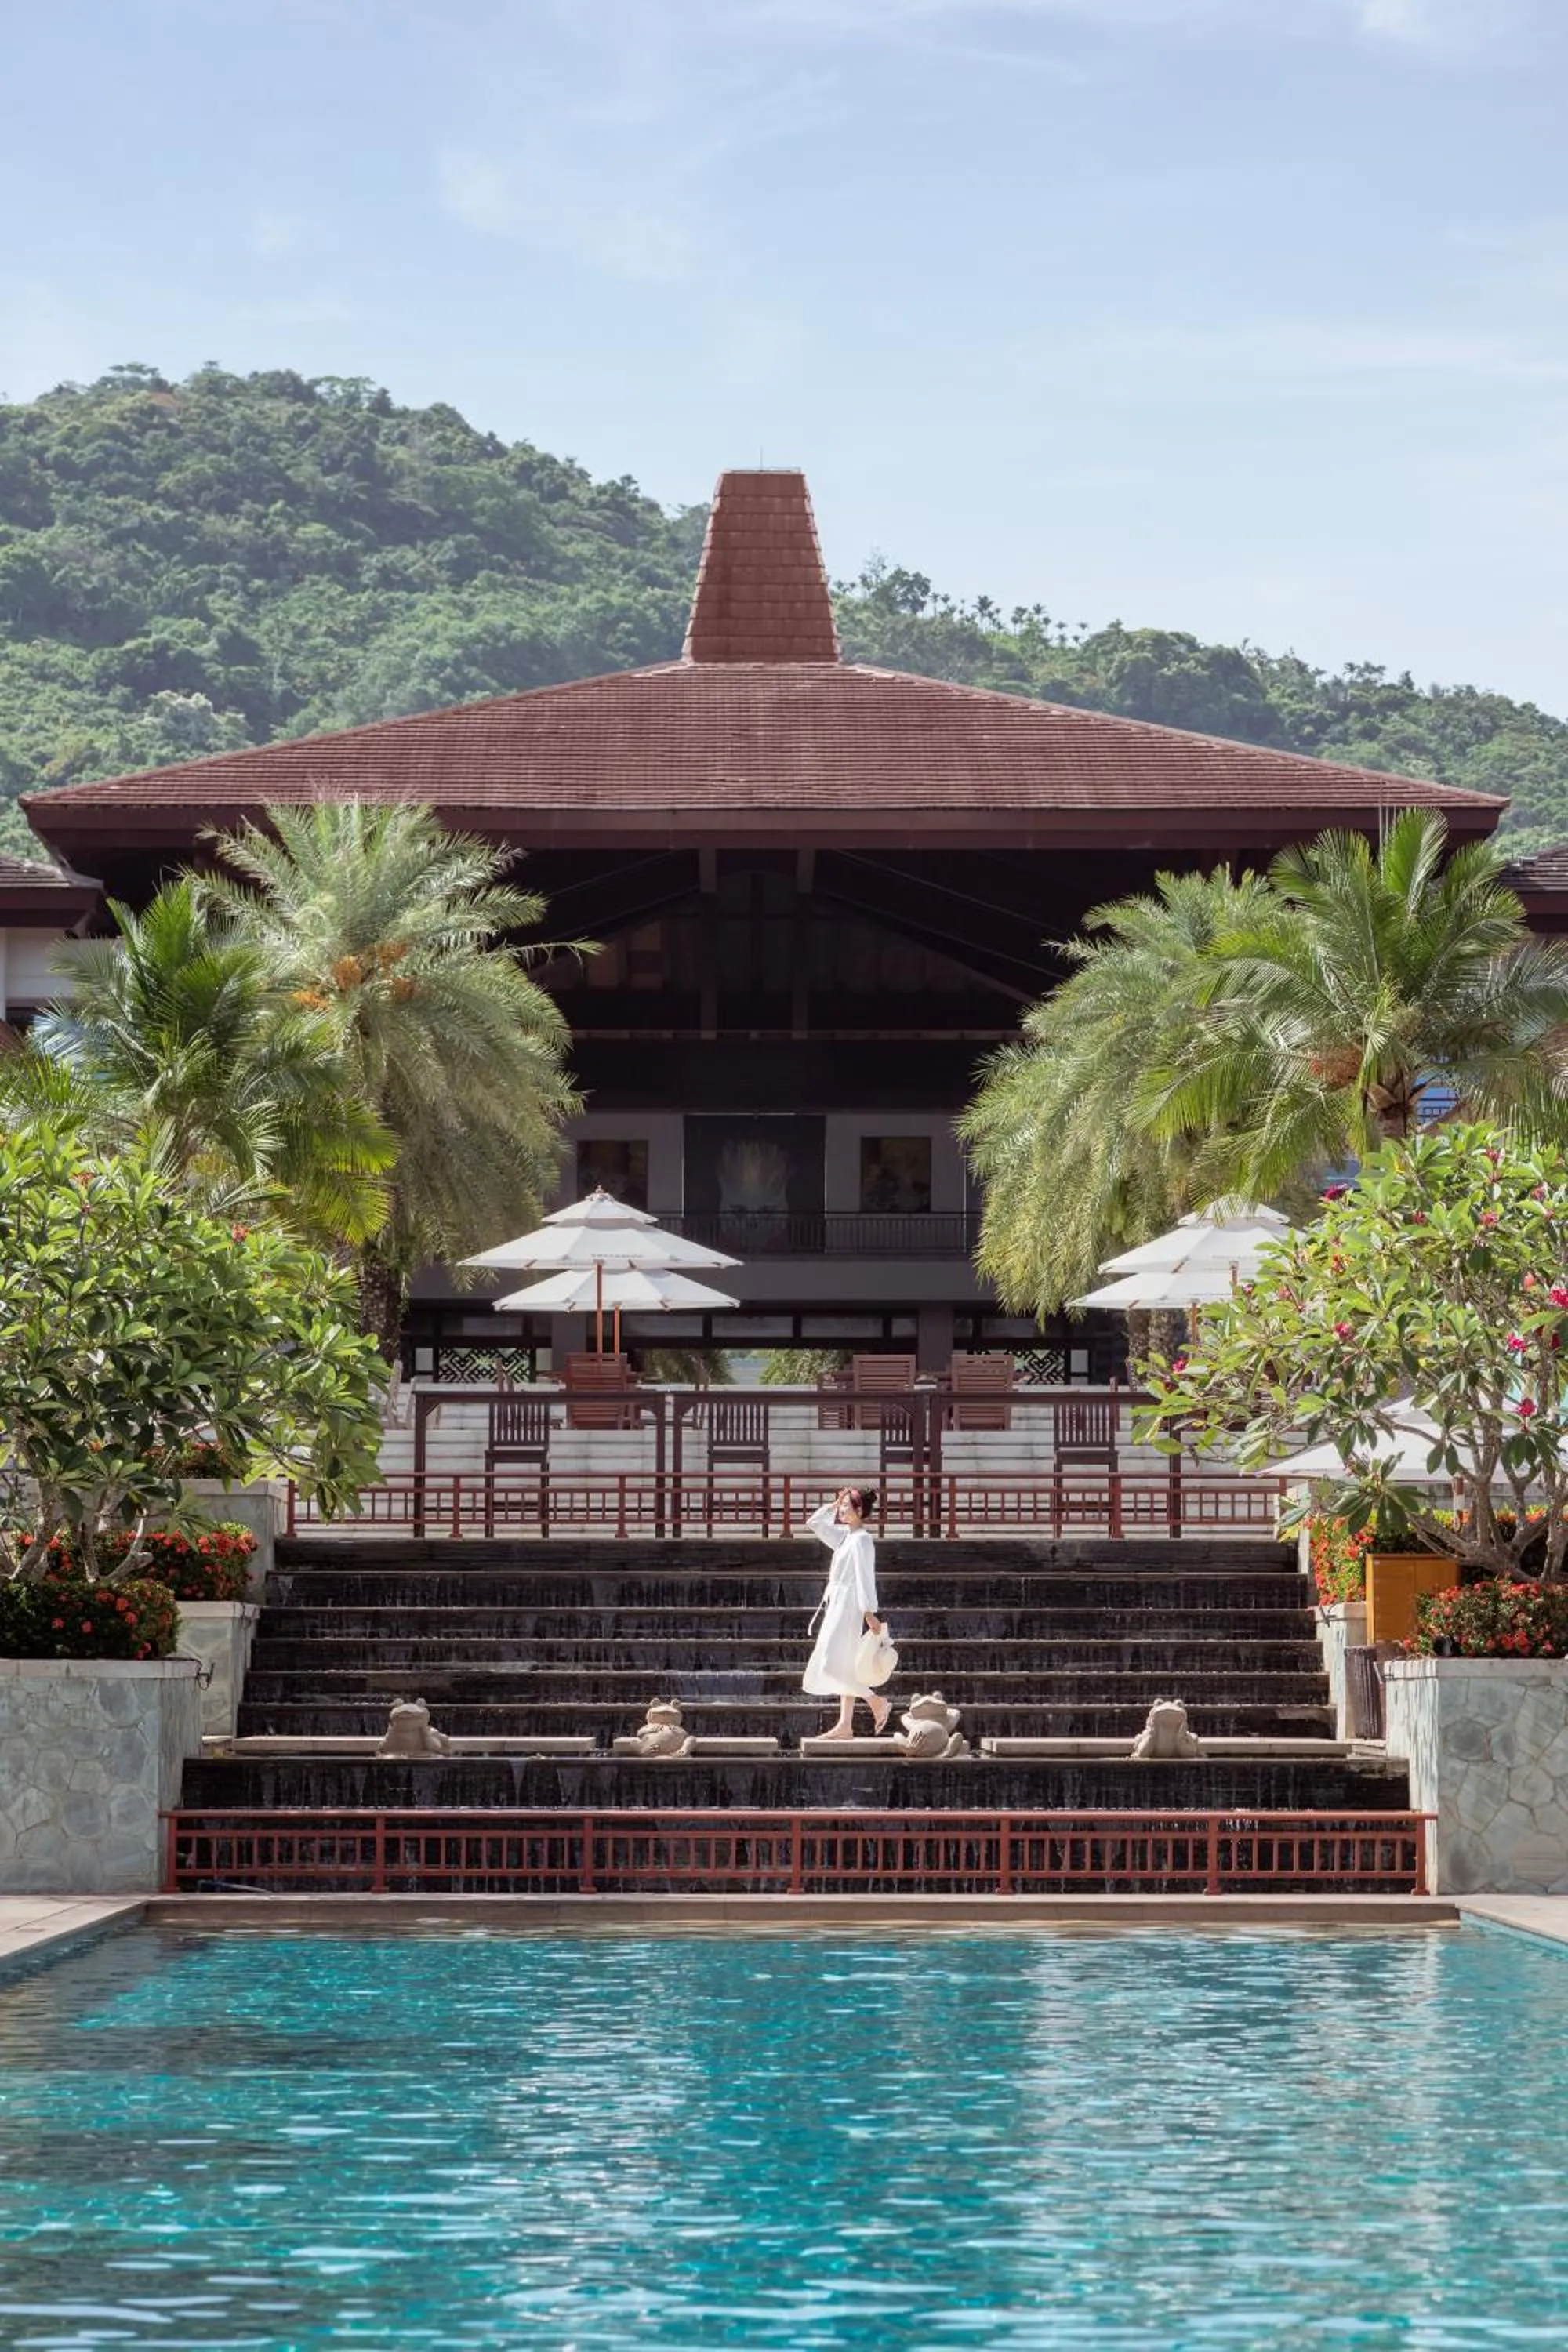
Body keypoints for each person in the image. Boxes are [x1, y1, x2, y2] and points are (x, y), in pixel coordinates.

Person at [803, 1485, 891, 1739]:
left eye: (846, 1507)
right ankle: (845, 1725)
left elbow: (865, 1576)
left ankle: (876, 1701)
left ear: (860, 1510)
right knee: (843, 1661)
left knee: (831, 1662)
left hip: (849, 1603)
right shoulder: (845, 1536)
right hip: (837, 1601)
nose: (841, 1510)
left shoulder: (862, 1540)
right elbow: (814, 1522)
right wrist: (834, 1503)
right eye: (840, 1507)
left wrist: (869, 1611)